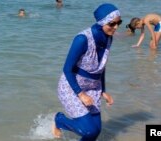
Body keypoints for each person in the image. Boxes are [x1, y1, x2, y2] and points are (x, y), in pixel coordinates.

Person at [52, 3, 122, 141]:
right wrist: (81, 94)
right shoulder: (82, 39)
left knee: (96, 131)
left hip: (93, 88)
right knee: (89, 131)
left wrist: (103, 90)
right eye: (112, 24)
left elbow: (101, 66)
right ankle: (59, 120)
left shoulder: (109, 37)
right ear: (102, 22)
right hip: (71, 87)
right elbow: (67, 69)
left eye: (119, 23)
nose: (116, 27)